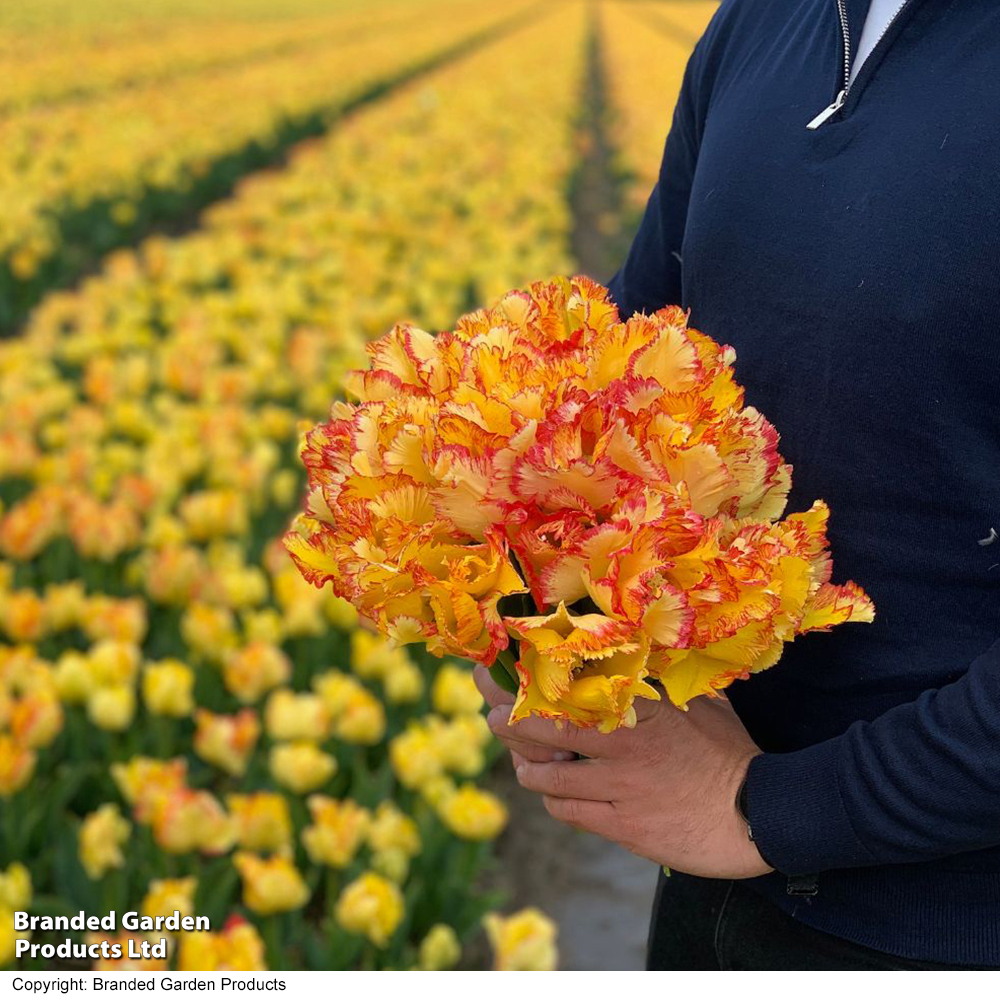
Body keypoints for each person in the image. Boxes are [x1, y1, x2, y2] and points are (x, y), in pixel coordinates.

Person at [475, 0, 1000, 971]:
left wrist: (768, 809)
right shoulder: (762, 23)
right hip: (711, 884)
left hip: (943, 933)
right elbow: (627, 388)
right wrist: (549, 622)